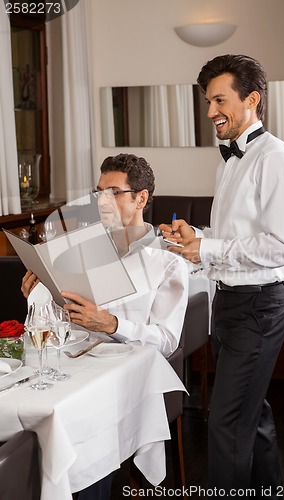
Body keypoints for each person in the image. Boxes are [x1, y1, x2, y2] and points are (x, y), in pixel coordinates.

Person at [160, 54, 284, 498]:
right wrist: (198, 237)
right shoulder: (230, 160)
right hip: (228, 304)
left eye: (219, 100)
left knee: (226, 423)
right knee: (252, 415)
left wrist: (208, 248)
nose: (210, 112)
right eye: (208, 102)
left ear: (252, 99)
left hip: (258, 309)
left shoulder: (278, 160)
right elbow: (238, 239)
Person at [21, 153, 189, 499]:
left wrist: (113, 323)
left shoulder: (168, 261)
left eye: (113, 192)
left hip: (129, 374)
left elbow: (168, 340)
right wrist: (38, 291)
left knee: (87, 434)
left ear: (140, 198)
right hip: (74, 364)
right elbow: (58, 311)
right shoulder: (82, 251)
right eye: (98, 193)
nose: (102, 202)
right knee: (38, 418)